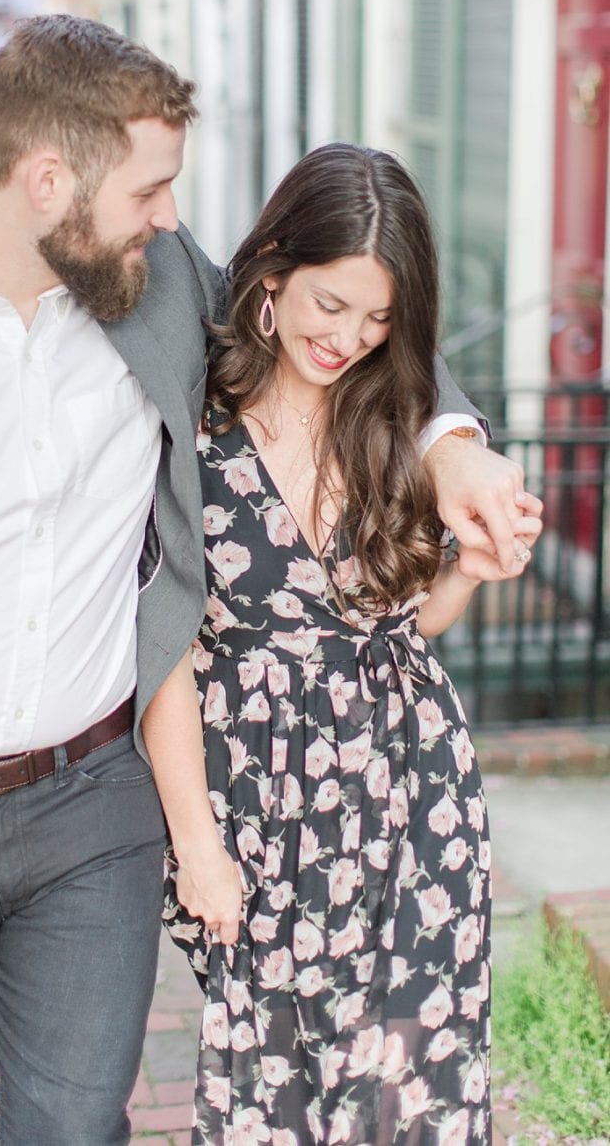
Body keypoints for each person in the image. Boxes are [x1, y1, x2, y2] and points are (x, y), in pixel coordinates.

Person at [0, 15, 534, 1144]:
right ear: (51, 181)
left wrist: (454, 444)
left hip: (91, 805)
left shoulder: (157, 291)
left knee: (76, 1124)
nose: (174, 217)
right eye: (151, 189)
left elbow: (354, 310)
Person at [148, 145, 536, 1144]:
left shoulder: (398, 417)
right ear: (270, 273)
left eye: (377, 320)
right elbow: (163, 660)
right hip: (264, 807)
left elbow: (416, 625)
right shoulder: (189, 426)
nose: (349, 339)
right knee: (274, 1085)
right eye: (330, 306)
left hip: (417, 797)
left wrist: (468, 573)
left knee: (419, 1081)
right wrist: (196, 845)